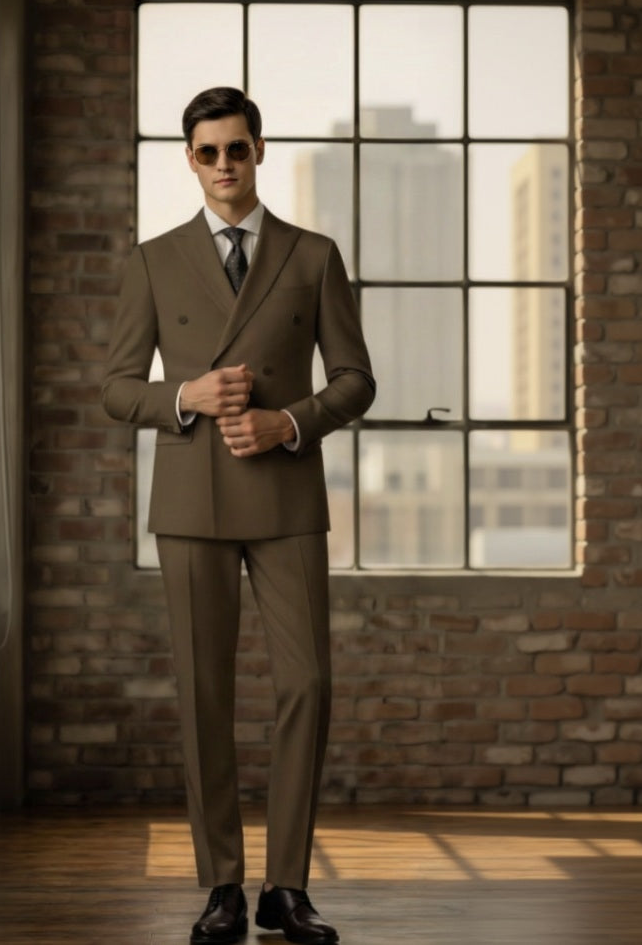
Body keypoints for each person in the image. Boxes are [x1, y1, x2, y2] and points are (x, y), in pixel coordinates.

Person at [102, 86, 375, 945]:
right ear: (190, 159)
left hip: (286, 494)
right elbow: (115, 389)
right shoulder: (154, 260)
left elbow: (356, 378)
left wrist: (288, 421)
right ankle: (221, 884)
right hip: (191, 499)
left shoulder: (313, 253)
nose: (224, 164)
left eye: (237, 148)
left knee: (308, 684)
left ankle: (285, 886)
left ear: (260, 150)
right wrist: (184, 395)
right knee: (204, 694)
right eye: (208, 151)